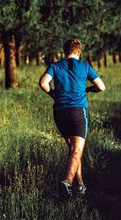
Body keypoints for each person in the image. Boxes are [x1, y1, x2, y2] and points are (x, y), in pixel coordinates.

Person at [38, 39, 105, 197]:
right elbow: (101, 87)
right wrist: (89, 89)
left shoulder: (55, 66)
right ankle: (67, 182)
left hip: (60, 112)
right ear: (79, 51)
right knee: (77, 151)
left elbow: (43, 83)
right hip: (77, 112)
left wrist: (53, 94)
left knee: (73, 151)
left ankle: (80, 185)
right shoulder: (85, 66)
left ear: (65, 50)